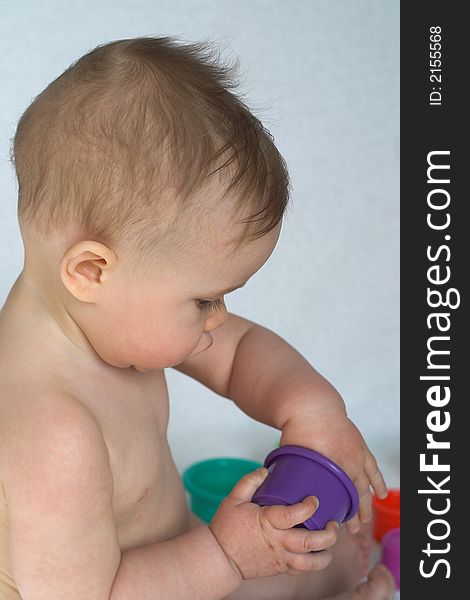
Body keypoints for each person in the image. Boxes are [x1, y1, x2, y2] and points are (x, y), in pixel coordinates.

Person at [0, 36, 396, 600]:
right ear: (91, 271)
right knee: (271, 567)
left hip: (177, 563)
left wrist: (312, 409)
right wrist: (225, 555)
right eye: (205, 300)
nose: (220, 319)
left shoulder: (109, 322)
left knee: (299, 558)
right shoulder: (52, 429)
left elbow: (238, 354)